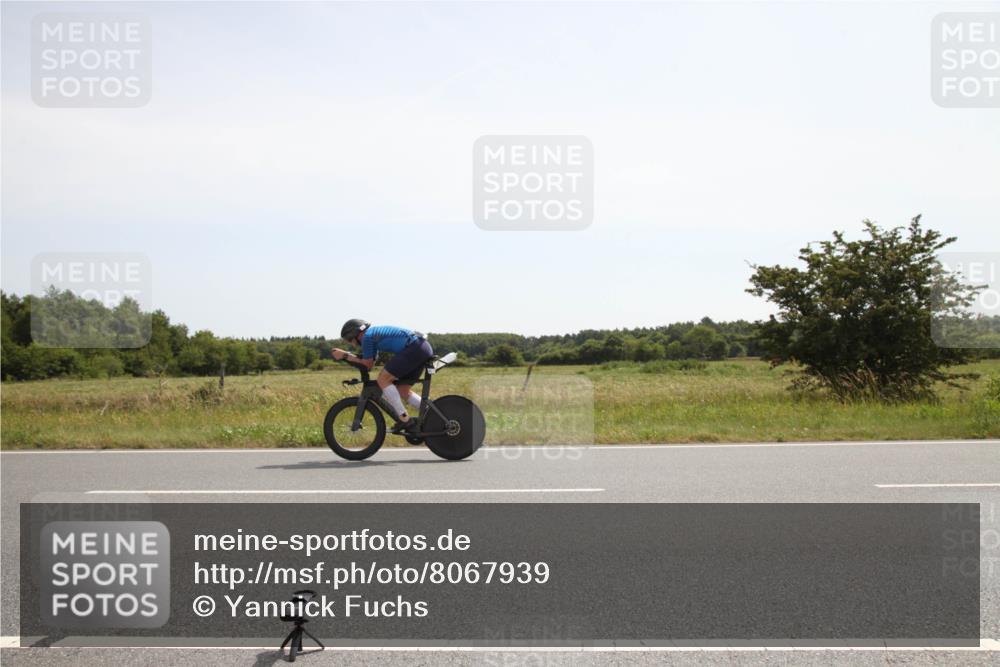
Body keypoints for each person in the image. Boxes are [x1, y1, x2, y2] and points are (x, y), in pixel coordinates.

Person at [331, 319, 433, 434]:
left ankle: (404, 419)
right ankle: (433, 413)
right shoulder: (372, 335)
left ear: (353, 334)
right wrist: (348, 356)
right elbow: (369, 364)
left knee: (383, 379)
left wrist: (345, 355)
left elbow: (367, 364)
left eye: (349, 340)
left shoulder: (367, 337)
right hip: (420, 347)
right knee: (403, 390)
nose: (351, 343)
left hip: (415, 348)